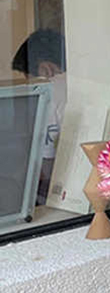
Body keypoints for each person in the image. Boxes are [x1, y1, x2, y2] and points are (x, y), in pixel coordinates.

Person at [11, 28, 67, 204]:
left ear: (46, 69)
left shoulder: (50, 92)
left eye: (28, 78)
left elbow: (46, 163)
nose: (30, 85)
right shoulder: (80, 83)